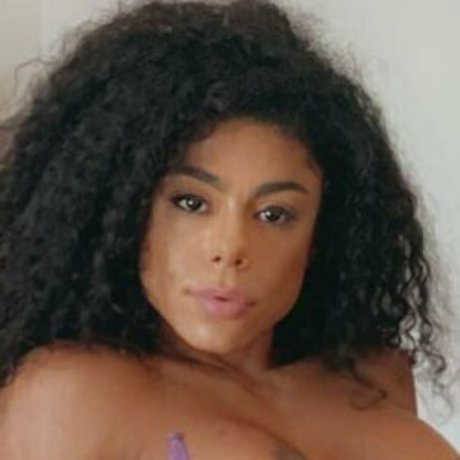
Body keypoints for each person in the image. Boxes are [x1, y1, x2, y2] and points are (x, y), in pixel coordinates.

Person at [0, 0, 458, 458]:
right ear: (123, 212)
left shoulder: (374, 376)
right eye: (191, 203)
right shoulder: (71, 396)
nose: (230, 248)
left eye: (275, 214)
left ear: (323, 232)